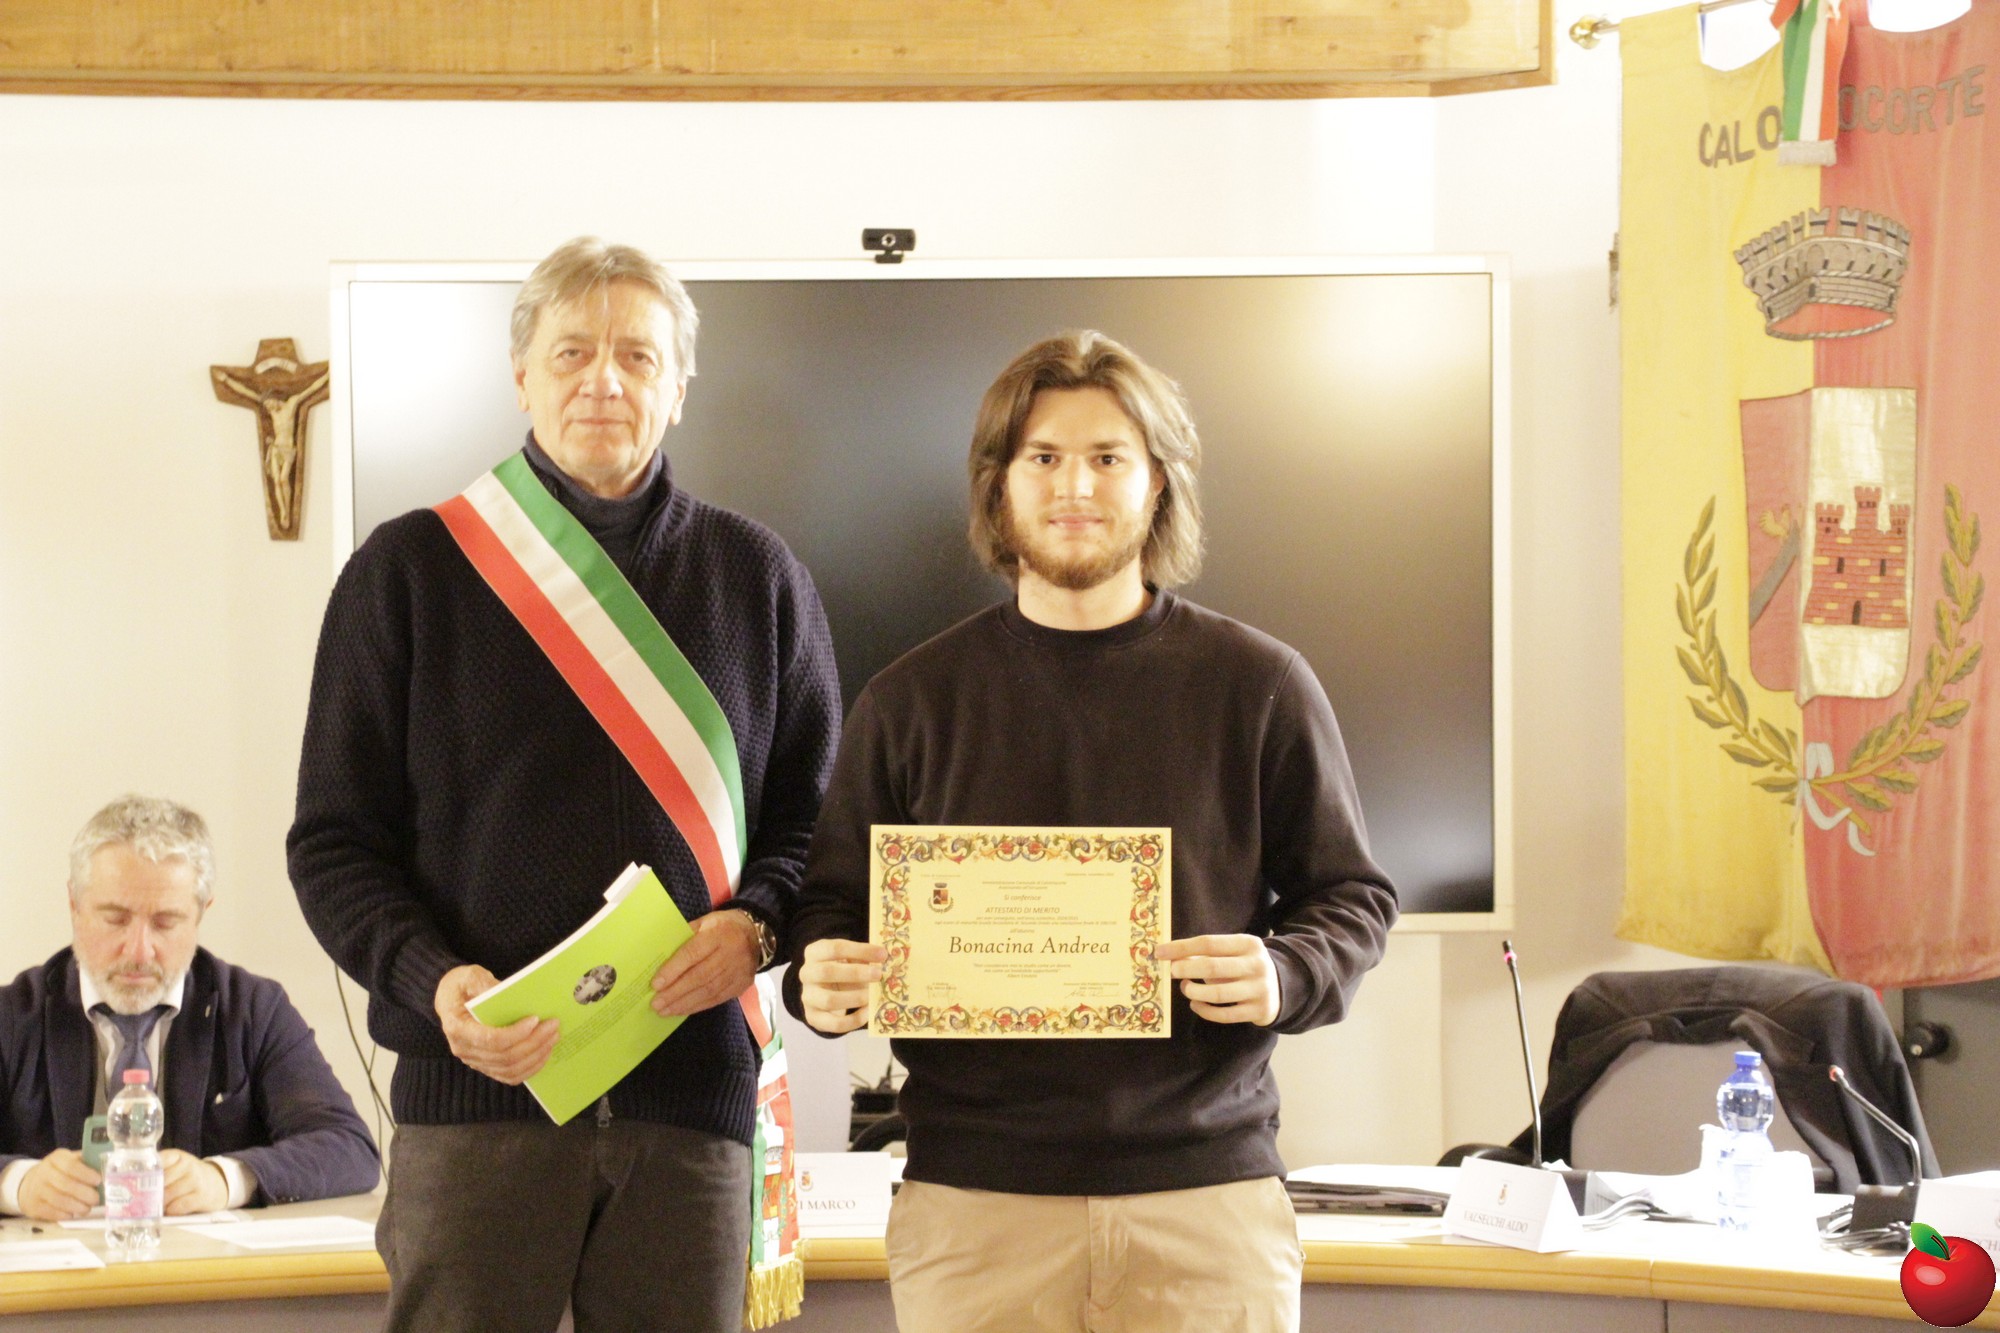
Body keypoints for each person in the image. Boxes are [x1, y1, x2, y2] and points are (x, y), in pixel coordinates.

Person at [786, 330, 1398, 1333]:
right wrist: (821, 976)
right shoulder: (909, 702)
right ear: (998, 488)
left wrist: (1286, 972)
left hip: (1203, 1202)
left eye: (1108, 457)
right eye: (1043, 457)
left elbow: (1352, 896)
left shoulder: (1259, 685)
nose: (1075, 485)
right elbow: (828, 904)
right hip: (975, 1208)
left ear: (1159, 483)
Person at [289, 237, 842, 1332]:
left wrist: (759, 928)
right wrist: (434, 981)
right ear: (521, 375)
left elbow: (813, 823)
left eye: (638, 357)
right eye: (573, 351)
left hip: (691, 1109)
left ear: (678, 388)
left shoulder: (759, 577)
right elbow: (333, 843)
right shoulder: (406, 571)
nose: (604, 381)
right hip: (476, 1108)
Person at [0, 795, 379, 1221]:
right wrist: (17, 1183)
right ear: (74, 905)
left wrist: (225, 1179)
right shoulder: (12, 1016)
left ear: (200, 913)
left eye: (165, 923)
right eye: (115, 919)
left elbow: (349, 1148)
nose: (139, 951)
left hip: (203, 1262)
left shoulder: (253, 1010)